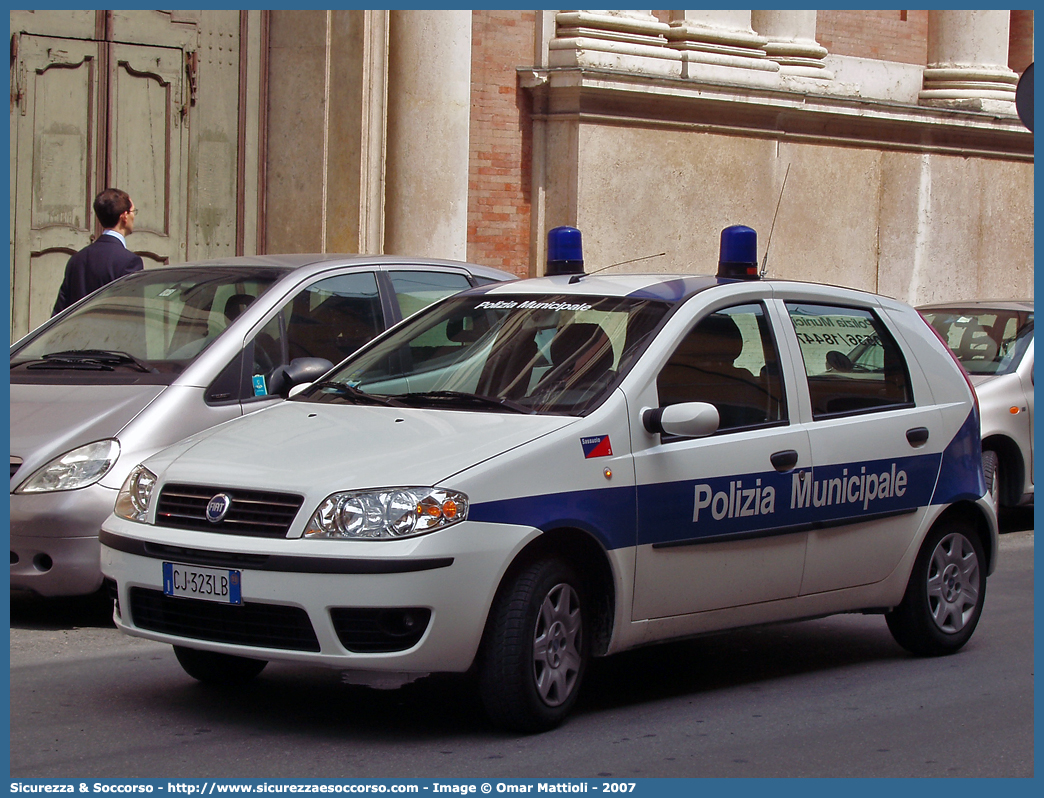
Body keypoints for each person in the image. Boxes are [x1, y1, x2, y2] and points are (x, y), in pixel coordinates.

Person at [51, 188, 143, 316]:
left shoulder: (77, 259)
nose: (134, 216)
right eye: (133, 211)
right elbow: (131, 315)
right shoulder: (129, 262)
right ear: (125, 216)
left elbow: (59, 314)